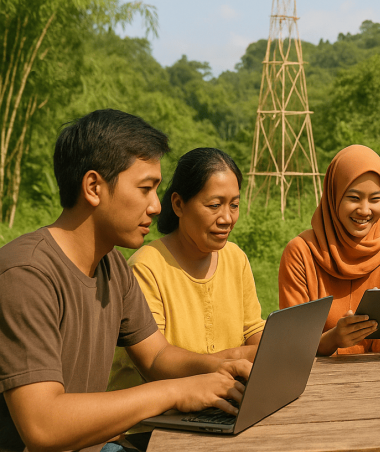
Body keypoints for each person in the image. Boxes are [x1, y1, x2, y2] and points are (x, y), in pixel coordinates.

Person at [0, 110, 251, 452]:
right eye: (146, 189)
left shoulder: (112, 266)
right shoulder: (26, 274)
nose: (155, 206)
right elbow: (42, 426)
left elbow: (157, 356)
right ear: (93, 187)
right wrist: (176, 392)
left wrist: (223, 367)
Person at [108, 148, 265, 395]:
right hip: (153, 419)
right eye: (215, 205)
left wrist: (276, 350)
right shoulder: (147, 268)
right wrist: (234, 357)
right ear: (179, 205)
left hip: (223, 396)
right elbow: (156, 362)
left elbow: (252, 329)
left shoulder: (236, 258)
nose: (226, 218)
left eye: (234, 205)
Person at [278, 144, 380, 356]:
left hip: (377, 382)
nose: (364, 210)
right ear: (333, 196)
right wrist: (333, 339)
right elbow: (293, 343)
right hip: (315, 383)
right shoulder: (301, 252)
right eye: (353, 197)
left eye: (375, 199)